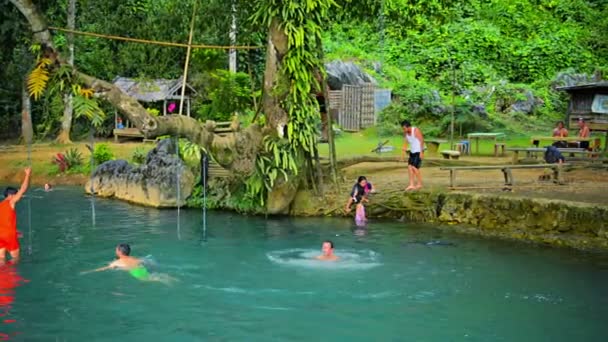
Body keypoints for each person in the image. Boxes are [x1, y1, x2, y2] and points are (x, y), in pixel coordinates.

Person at [0, 168, 32, 264]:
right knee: (15, 259)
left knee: (1, 258)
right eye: (15, 194)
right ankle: (11, 276)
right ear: (10, 195)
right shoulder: (11, 201)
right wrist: (27, 175)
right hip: (9, 235)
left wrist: (16, 231)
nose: (18, 196)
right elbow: (23, 189)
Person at [84, 243, 150, 280]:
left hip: (135, 272)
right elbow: (143, 261)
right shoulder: (134, 258)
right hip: (141, 268)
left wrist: (88, 272)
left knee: (148, 280)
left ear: (119, 252)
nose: (115, 251)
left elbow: (104, 268)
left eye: (116, 250)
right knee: (152, 277)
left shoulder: (116, 262)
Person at [401, 120, 424, 191]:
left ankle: (420, 184)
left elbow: (422, 141)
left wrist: (421, 152)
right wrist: (403, 153)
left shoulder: (416, 130)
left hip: (418, 151)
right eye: (403, 128)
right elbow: (405, 142)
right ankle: (411, 184)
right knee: (409, 167)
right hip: (412, 152)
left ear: (409, 127)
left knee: (414, 167)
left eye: (404, 128)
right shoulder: (406, 133)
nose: (404, 130)